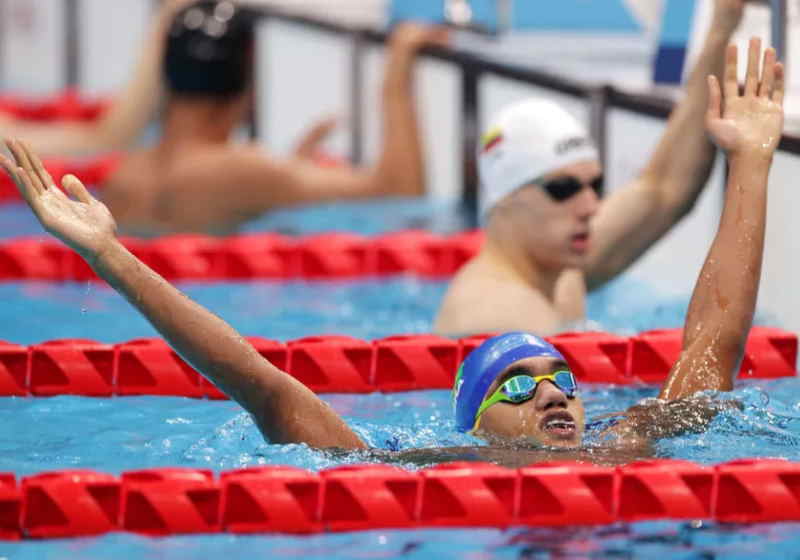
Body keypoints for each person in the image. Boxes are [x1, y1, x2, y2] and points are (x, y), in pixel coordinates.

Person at [0, 37, 784, 465]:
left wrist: (749, 161)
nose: (552, 397)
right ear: (475, 421)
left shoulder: (624, 443)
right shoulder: (430, 469)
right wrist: (111, 257)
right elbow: (273, 394)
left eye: (561, 383)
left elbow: (709, 356)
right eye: (517, 388)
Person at [434, 0, 754, 336]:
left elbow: (664, 191)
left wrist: (723, 25)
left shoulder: (557, 271)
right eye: (563, 189)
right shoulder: (497, 315)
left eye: (595, 186)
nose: (590, 207)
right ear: (504, 197)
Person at [97, 1, 445, 235]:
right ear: (247, 88)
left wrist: (292, 167)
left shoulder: (123, 177)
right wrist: (399, 68)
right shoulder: (244, 171)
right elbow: (400, 190)